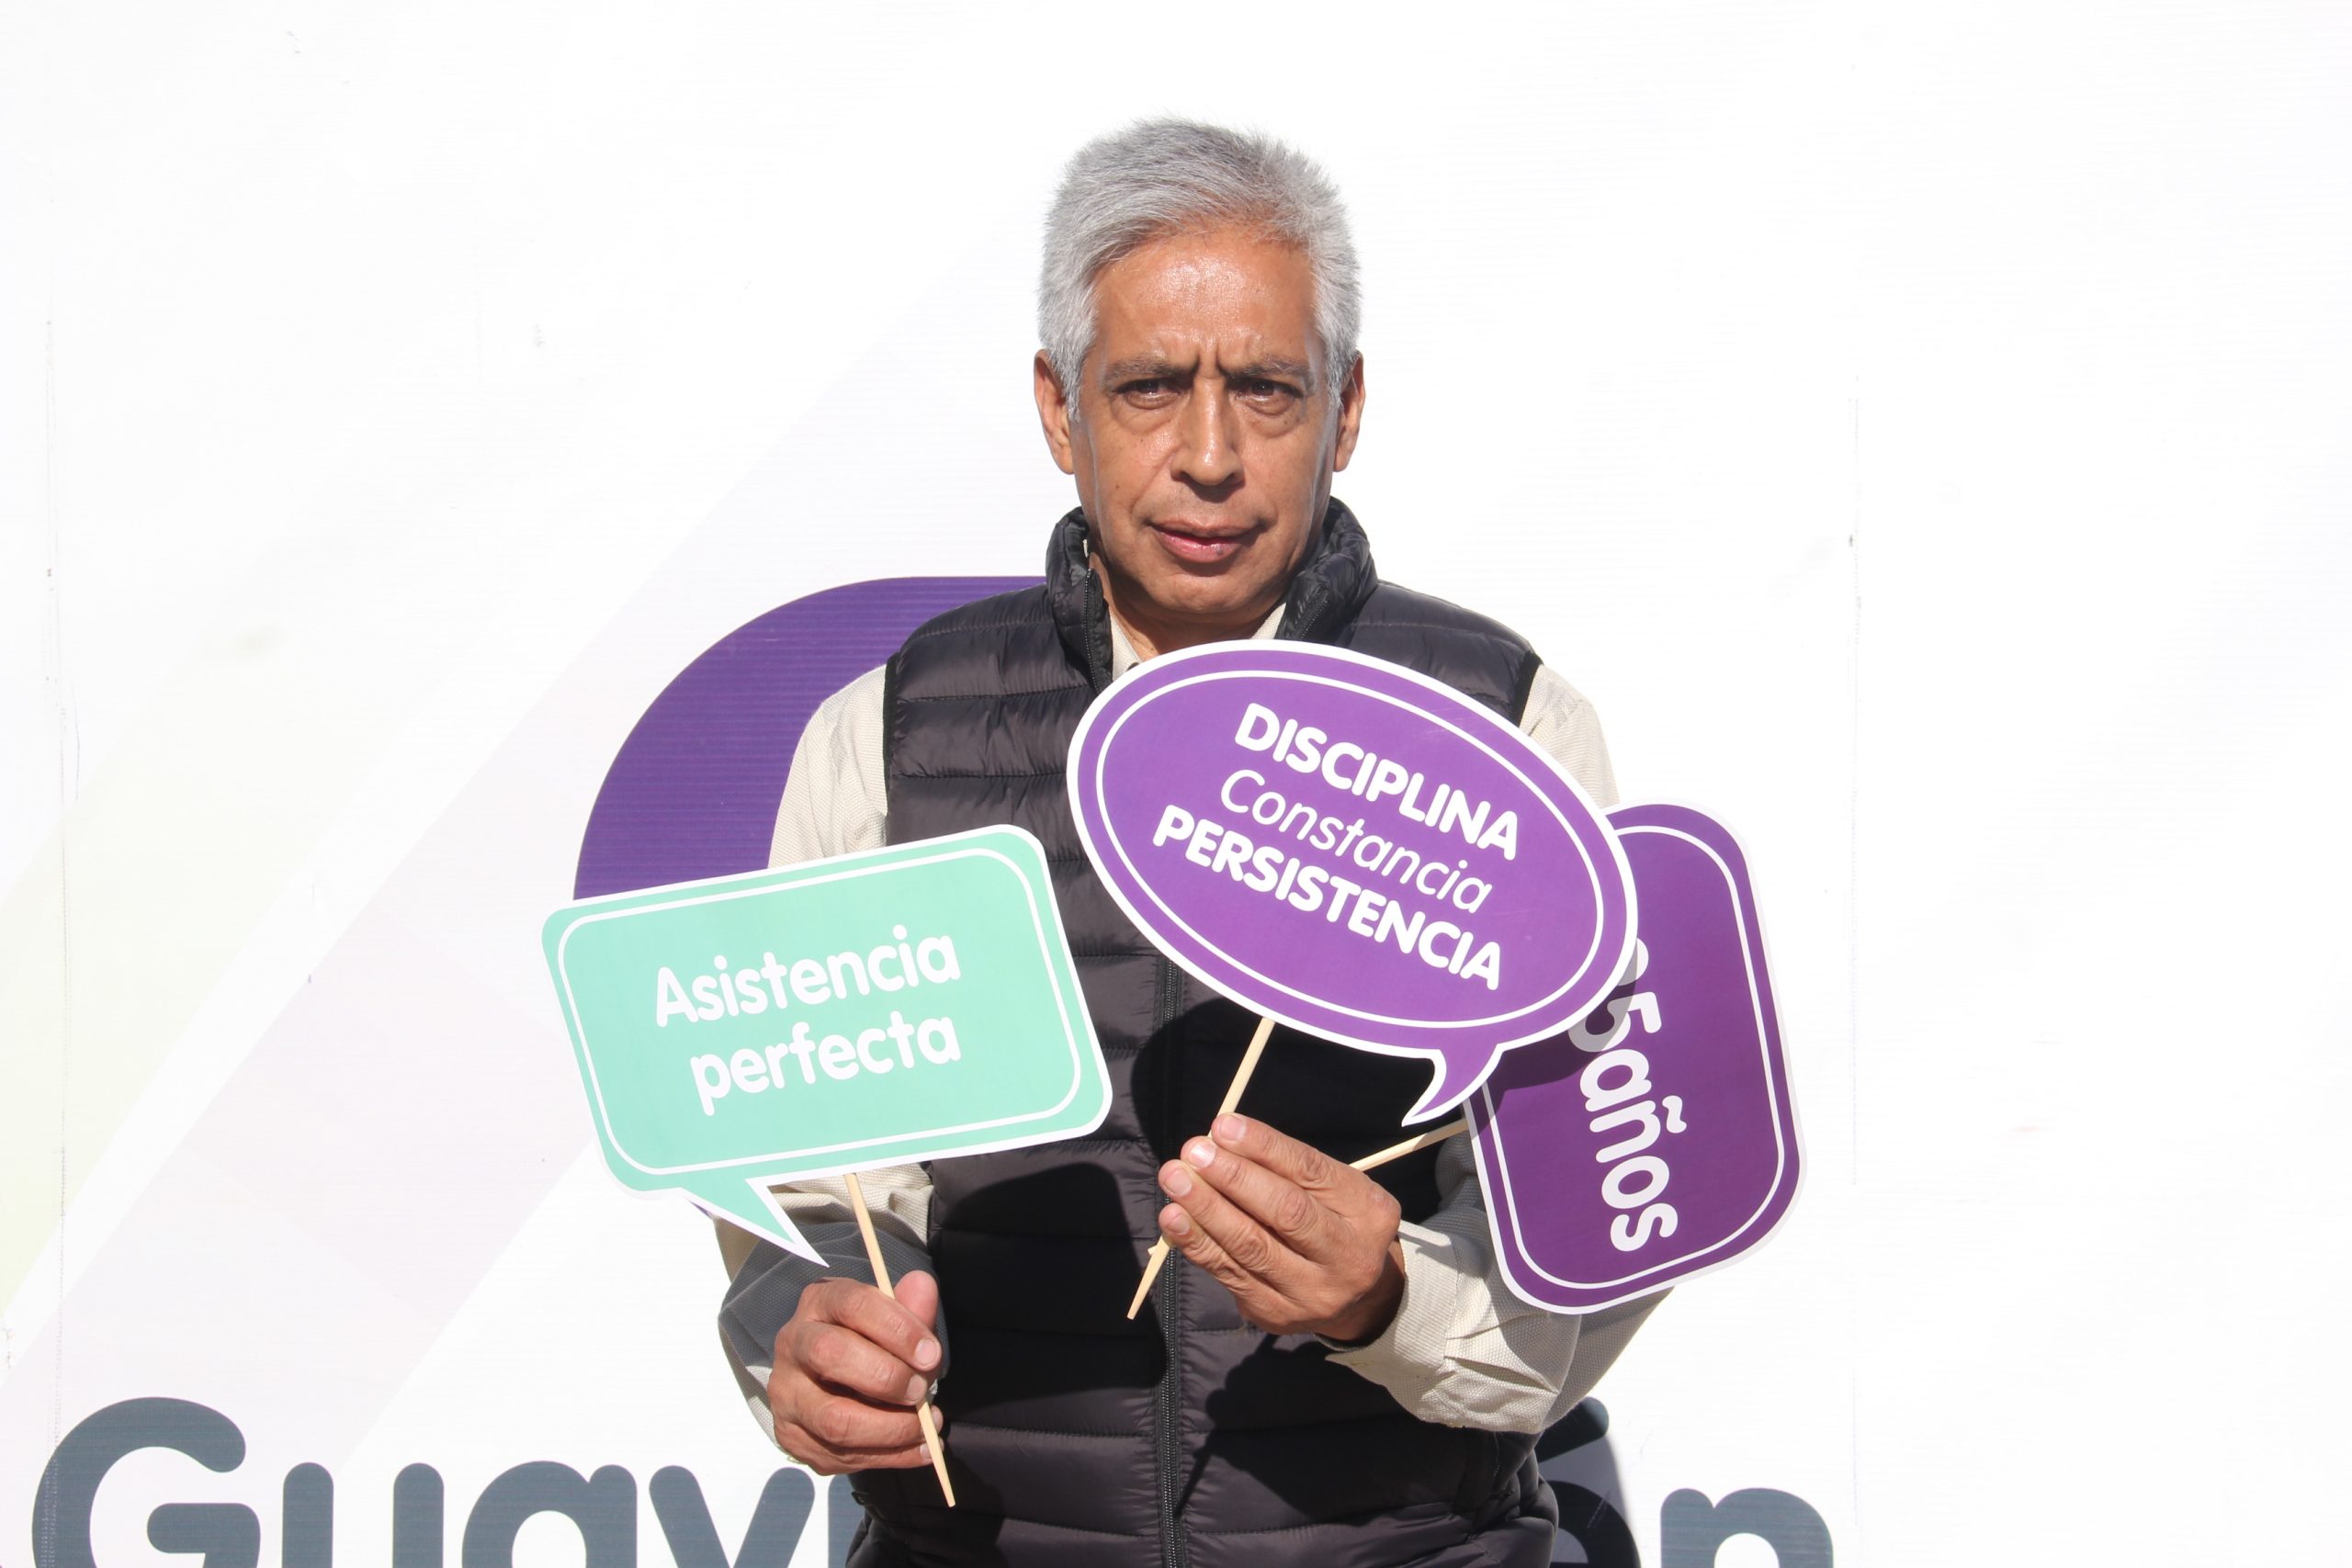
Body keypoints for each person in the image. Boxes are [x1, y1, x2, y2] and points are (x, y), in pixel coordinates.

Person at [714, 119, 1659, 1568]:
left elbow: (1591, 1237)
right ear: (1060, 409)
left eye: (1266, 390)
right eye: (1150, 387)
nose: (1209, 457)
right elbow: (812, 1184)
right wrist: (807, 1322)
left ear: (1344, 411)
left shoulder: (1503, 732)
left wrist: (1392, 1301)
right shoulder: (894, 735)